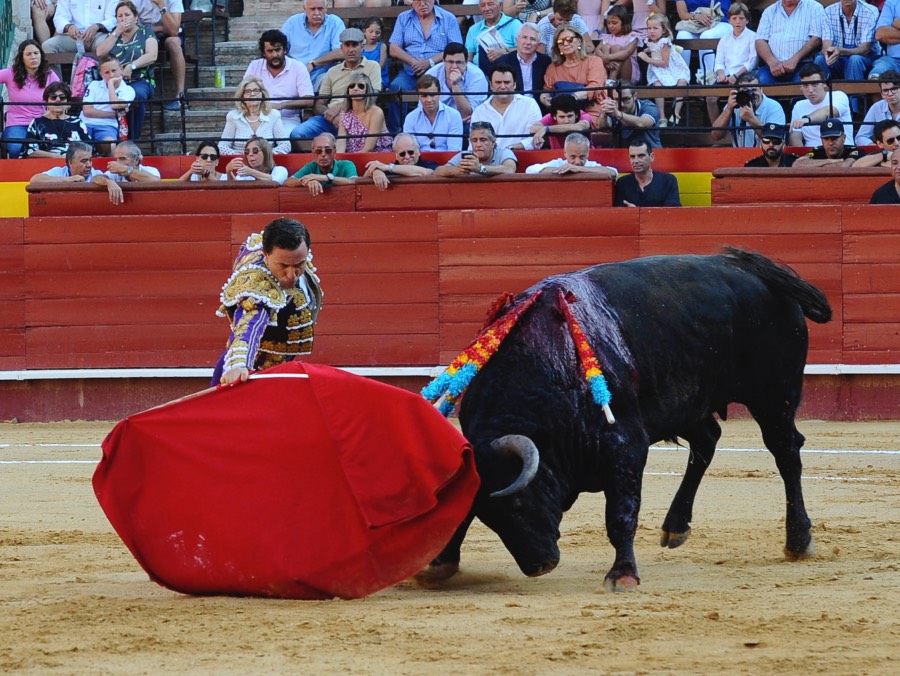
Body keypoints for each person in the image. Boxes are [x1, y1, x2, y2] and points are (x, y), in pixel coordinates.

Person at [212, 218, 323, 386]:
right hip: (250, 376)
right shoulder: (257, 285)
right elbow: (249, 323)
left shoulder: (271, 246)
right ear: (265, 254)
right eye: (283, 266)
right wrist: (238, 364)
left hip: (279, 372)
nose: (292, 275)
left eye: (299, 264)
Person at [289, 27, 382, 151]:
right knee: (297, 134)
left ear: (362, 47)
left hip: (360, 117)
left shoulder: (372, 66)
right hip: (330, 119)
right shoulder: (332, 71)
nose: (351, 50)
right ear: (341, 48)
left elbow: (372, 96)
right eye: (347, 45)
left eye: (355, 45)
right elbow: (320, 104)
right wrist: (332, 116)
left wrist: (341, 110)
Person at [387, 0, 463, 132]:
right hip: (410, 71)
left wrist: (430, 62)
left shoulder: (448, 18)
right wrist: (413, 62)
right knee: (395, 88)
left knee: (445, 88)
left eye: (426, 0)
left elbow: (456, 48)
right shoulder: (403, 18)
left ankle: (441, 129)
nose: (422, 4)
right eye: (417, 1)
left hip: (440, 71)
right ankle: (398, 132)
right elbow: (393, 48)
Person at [95, 1, 157, 141]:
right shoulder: (114, 34)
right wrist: (117, 31)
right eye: (120, 16)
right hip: (115, 81)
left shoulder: (145, 31)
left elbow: (152, 55)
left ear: (135, 17)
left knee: (137, 95)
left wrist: (131, 66)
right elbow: (100, 52)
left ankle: (132, 140)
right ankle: (110, 139)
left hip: (139, 79)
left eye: (127, 15)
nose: (123, 19)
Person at [242, 29, 314, 135]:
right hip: (258, 117)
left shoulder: (298, 67)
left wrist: (280, 106)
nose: (275, 55)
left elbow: (309, 100)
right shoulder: (254, 66)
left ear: (284, 50)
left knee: (279, 137)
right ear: (263, 53)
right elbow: (244, 94)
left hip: (287, 120)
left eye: (277, 50)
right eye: (270, 51)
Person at [0, 39, 60, 158]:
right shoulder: (10, 73)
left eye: (36, 53)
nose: (33, 57)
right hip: (18, 123)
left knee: (54, 149)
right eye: (28, 54)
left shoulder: (50, 74)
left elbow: (62, 96)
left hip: (42, 122)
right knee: (16, 148)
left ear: (41, 55)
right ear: (22, 57)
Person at [541, 23, 607, 127]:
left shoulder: (594, 61)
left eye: (569, 39)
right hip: (562, 116)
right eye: (560, 42)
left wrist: (572, 98)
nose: (566, 43)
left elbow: (595, 88)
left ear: (579, 41)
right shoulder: (553, 68)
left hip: (590, 111)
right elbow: (546, 91)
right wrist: (545, 99)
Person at [470, 64, 543, 150]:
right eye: (498, 82)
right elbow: (472, 144)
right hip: (488, 160)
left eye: (507, 82)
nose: (503, 87)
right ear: (491, 85)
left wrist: (510, 149)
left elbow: (536, 140)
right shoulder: (480, 111)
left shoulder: (530, 104)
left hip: (522, 156)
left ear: (515, 84)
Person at [29, 140, 125, 204]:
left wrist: (109, 182)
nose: (89, 165)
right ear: (71, 162)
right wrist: (68, 180)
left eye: (90, 160)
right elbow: (35, 179)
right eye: (84, 161)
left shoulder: (95, 173)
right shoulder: (59, 172)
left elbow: (99, 178)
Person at [754, 0, 825, 85]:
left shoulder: (814, 7)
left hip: (804, 63)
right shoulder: (770, 11)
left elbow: (816, 38)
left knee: (803, 84)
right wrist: (772, 62)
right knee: (761, 81)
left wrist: (794, 60)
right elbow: (760, 40)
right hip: (773, 66)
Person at [135, 0, 188, 111]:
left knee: (174, 43)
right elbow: (134, 29)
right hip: (144, 35)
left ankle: (180, 96)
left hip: (167, 35)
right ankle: (138, 93)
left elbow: (173, 30)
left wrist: (161, 5)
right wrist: (161, 28)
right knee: (135, 43)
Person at [280, 0, 346, 89]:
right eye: (312, 9)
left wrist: (313, 63)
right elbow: (280, 48)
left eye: (320, 9)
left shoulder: (335, 22)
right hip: (293, 73)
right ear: (305, 9)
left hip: (322, 73)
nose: (317, 13)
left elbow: (341, 51)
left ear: (326, 9)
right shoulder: (292, 23)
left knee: (331, 79)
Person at [639, 13, 690, 127]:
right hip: (659, 71)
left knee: (682, 82)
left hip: (671, 69)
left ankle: (676, 112)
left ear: (664, 30)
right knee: (657, 85)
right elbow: (653, 48)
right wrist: (648, 50)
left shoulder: (664, 43)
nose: (651, 31)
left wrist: (647, 59)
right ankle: (662, 117)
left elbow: (664, 63)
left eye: (655, 28)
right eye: (649, 28)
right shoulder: (652, 41)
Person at [709, 72, 785, 148]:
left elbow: (774, 140)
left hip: (765, 157)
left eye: (754, 90)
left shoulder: (773, 107)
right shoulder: (734, 105)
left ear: (761, 89)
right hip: (740, 156)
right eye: (745, 91)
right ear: (738, 92)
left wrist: (751, 119)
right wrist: (728, 110)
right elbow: (716, 136)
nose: (750, 94)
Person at [219, 77, 290, 157]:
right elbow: (222, 146)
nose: (252, 94)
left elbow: (286, 145)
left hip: (266, 165)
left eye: (256, 90)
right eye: (248, 91)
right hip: (241, 164)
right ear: (242, 98)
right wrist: (238, 155)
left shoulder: (273, 115)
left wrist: (265, 156)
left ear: (262, 95)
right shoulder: (233, 116)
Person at [42, 0, 117, 74]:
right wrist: (68, 26)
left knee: (107, 47)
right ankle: (56, 83)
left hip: (99, 35)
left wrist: (98, 26)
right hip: (74, 37)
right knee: (48, 46)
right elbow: (60, 17)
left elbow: (113, 19)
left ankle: (105, 82)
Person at [81, 55, 135, 155]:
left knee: (111, 145)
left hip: (107, 126)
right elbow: (87, 111)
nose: (111, 75)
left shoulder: (128, 90)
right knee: (76, 146)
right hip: (85, 123)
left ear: (121, 69)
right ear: (101, 74)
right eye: (107, 72)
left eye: (114, 70)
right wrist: (113, 114)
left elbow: (114, 105)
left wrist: (110, 85)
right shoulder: (94, 85)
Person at [789, 63, 853, 147]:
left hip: (842, 150)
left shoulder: (839, 95)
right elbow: (795, 135)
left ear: (824, 84)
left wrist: (807, 119)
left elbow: (827, 111)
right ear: (800, 87)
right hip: (812, 154)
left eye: (815, 84)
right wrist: (801, 154)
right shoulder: (798, 106)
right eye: (805, 85)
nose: (810, 90)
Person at [814, 0, 879, 83]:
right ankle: (825, 94)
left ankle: (855, 95)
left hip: (865, 57)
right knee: (820, 59)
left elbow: (865, 49)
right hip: (838, 57)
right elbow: (826, 45)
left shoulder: (870, 11)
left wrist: (841, 51)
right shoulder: (829, 11)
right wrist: (828, 52)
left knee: (855, 59)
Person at [425, 42, 489, 126]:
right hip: (438, 121)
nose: (454, 66)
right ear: (444, 61)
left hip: (466, 123)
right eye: (450, 62)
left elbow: (468, 114)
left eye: (458, 62)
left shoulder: (477, 77)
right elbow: (423, 108)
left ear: (466, 62)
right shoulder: (432, 74)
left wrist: (455, 85)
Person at [22, 82, 88, 158]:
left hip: (73, 166)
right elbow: (29, 151)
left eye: (62, 97)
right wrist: (56, 157)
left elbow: (88, 148)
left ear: (68, 103)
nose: (58, 100)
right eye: (53, 97)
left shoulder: (78, 122)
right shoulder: (37, 123)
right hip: (45, 165)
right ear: (46, 102)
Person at [674, 0, 733, 83]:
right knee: (682, 36)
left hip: (721, 22)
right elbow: (682, 14)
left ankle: (708, 80)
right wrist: (696, 16)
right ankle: (682, 79)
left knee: (705, 36)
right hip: (695, 23)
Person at [402, 74, 465, 152]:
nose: (429, 100)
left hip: (447, 162)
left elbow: (454, 151)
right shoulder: (410, 118)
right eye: (424, 96)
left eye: (432, 95)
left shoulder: (454, 116)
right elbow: (410, 151)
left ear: (440, 93)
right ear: (418, 97)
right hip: (419, 162)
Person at [284, 132, 358, 197]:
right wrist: (307, 181)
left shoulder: (346, 164)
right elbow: (288, 181)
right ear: (313, 153)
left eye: (328, 150)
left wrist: (325, 178)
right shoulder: (311, 166)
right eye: (318, 151)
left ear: (334, 152)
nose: (323, 154)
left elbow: (354, 181)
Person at [435, 121, 518, 176]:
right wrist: (456, 170)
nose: (478, 144)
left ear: (493, 142)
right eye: (474, 140)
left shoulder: (504, 153)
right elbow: (438, 171)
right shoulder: (464, 155)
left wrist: (481, 169)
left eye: (483, 140)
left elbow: (509, 169)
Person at [335, 73, 392, 153]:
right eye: (352, 86)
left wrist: (352, 160)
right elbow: (341, 141)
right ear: (348, 90)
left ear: (367, 90)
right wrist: (340, 160)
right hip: (352, 158)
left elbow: (369, 147)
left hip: (377, 156)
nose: (355, 88)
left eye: (360, 86)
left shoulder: (376, 112)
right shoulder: (344, 112)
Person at [614, 139, 681, 206]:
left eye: (641, 156)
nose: (636, 161)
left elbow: (672, 212)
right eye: (632, 157)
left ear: (652, 157)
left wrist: (637, 212)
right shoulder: (622, 183)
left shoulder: (668, 181)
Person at [363, 133, 440, 191]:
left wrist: (388, 167)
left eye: (410, 152)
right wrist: (376, 171)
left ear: (418, 151)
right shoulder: (389, 169)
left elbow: (425, 172)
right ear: (396, 156)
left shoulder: (430, 165)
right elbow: (364, 178)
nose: (407, 157)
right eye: (402, 154)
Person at [497, 23, 552, 103]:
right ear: (517, 40)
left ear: (538, 45)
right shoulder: (503, 62)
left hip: (539, 106)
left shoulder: (546, 62)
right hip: (513, 105)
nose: (528, 42)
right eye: (524, 37)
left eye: (533, 39)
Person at [599, 82, 662, 148]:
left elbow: (642, 123)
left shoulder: (649, 107)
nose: (622, 104)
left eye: (625, 99)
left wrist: (618, 114)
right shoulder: (614, 108)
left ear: (635, 96)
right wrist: (603, 114)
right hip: (623, 154)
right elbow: (604, 126)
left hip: (651, 154)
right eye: (617, 99)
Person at [524, 131, 616, 175]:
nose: (577, 161)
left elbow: (613, 172)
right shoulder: (559, 163)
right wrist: (562, 170)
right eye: (573, 156)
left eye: (582, 157)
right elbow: (530, 170)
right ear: (565, 152)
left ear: (588, 153)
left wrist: (579, 169)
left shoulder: (591, 165)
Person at [465, 0, 522, 68]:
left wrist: (505, 51)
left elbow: (523, 50)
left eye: (490, 4)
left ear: (500, 6)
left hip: (508, 73)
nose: (487, 9)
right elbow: (468, 58)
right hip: (481, 74)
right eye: (483, 5)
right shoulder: (473, 29)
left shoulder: (514, 24)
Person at [593, 5, 640, 84]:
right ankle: (608, 80)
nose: (610, 26)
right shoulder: (607, 37)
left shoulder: (632, 37)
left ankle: (612, 79)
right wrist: (606, 61)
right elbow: (597, 49)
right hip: (609, 67)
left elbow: (627, 53)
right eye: (608, 23)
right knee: (606, 46)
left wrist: (608, 57)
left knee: (616, 48)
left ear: (624, 22)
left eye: (614, 23)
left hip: (627, 72)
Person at [855, 71, 900, 146]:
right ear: (882, 94)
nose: (890, 93)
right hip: (883, 153)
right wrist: (877, 147)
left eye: (894, 89)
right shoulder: (876, 107)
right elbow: (860, 137)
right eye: (885, 90)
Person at [793, 118, 862, 167]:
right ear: (821, 140)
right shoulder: (817, 151)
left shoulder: (853, 150)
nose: (830, 143)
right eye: (826, 139)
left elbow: (845, 166)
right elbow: (797, 164)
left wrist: (816, 165)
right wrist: (829, 161)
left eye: (834, 138)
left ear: (844, 138)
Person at [598, 0, 666, 42]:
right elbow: (620, 3)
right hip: (635, 27)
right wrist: (609, 10)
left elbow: (662, 14)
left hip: (652, 27)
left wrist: (651, 4)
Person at [869, 0, 900, 79]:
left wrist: (896, 24)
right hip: (893, 61)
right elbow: (880, 34)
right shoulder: (892, 2)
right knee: (875, 76)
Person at [360, 17, 389, 88]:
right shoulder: (360, 46)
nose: (374, 35)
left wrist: (370, 74)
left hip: (379, 77)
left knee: (371, 88)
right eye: (371, 31)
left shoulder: (382, 47)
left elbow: (381, 66)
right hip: (361, 77)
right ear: (364, 31)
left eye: (377, 33)